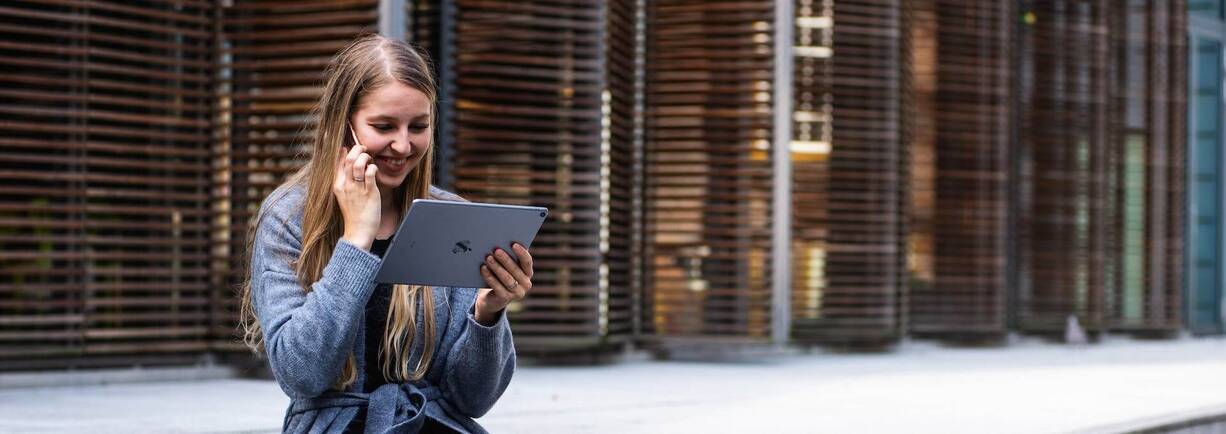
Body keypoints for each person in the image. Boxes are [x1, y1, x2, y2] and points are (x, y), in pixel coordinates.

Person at [237, 34, 533, 434]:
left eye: (419, 126)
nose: (403, 144)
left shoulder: (452, 217)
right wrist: (356, 239)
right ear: (345, 126)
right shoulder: (288, 217)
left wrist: (488, 314)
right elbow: (301, 373)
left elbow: (473, 400)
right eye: (383, 126)